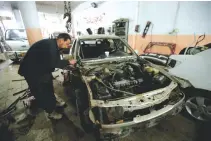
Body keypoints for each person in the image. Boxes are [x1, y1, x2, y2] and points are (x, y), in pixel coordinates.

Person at [18, 33, 76, 120]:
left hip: (39, 70)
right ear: (61, 40)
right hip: (33, 73)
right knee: (43, 92)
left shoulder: (52, 44)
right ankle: (50, 112)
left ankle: (52, 103)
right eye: (67, 43)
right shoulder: (50, 46)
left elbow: (53, 60)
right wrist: (68, 62)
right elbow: (53, 63)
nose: (67, 46)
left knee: (48, 87)